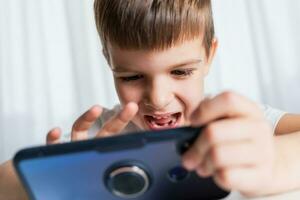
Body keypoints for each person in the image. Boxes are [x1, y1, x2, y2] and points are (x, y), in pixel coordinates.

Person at [1, 0, 300, 199]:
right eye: (131, 77)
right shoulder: (96, 140)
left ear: (209, 55)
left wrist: (275, 160)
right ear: (109, 63)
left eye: (180, 71)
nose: (158, 99)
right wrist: (57, 180)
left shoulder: (230, 124)